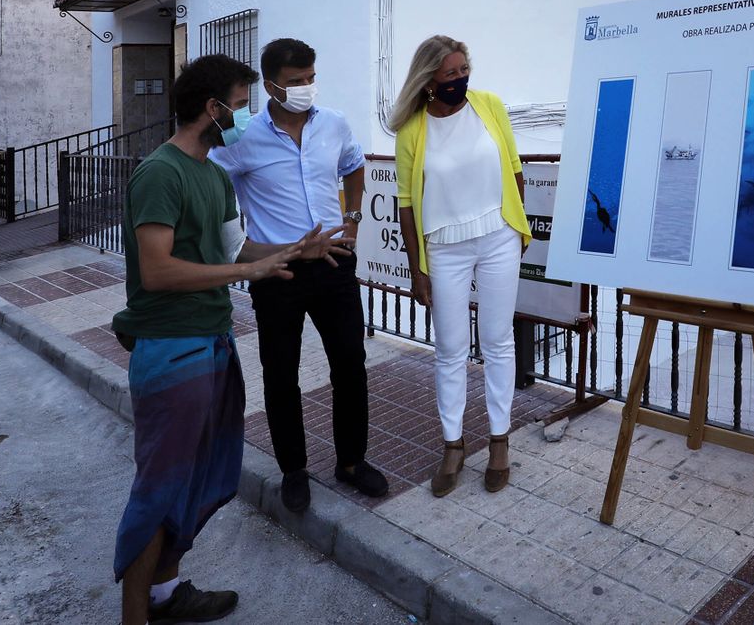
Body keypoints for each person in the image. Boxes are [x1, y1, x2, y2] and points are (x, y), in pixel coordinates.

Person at [112, 53, 345, 625]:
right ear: (212, 109)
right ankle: (135, 615)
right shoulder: (160, 173)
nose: (245, 118)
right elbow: (159, 271)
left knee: (205, 477)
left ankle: (165, 594)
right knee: (161, 486)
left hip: (212, 343)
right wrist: (250, 274)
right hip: (171, 348)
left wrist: (293, 251)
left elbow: (234, 251)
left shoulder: (214, 175)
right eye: (240, 107)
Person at [208, 38, 388, 513]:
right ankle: (293, 469)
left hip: (334, 263)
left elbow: (354, 167)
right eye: (295, 82)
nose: (306, 87)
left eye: (311, 78)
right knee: (280, 374)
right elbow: (211, 183)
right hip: (277, 271)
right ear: (270, 85)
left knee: (350, 364)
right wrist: (240, 245)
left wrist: (352, 221)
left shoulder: (333, 123)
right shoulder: (242, 137)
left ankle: (352, 462)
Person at [392, 36, 531, 496]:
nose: (460, 79)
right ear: (429, 79)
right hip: (445, 248)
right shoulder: (413, 129)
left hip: (497, 237)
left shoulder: (489, 105)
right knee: (450, 349)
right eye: (450, 73)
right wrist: (417, 268)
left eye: (464, 69)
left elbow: (514, 169)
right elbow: (407, 205)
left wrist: (518, 228)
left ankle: (498, 440)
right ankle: (453, 444)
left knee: (497, 342)